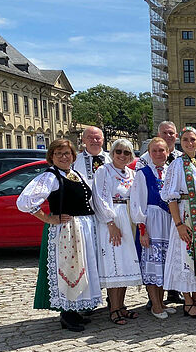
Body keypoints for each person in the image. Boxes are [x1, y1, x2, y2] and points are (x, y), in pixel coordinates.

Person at [16, 139, 102, 331]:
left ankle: (76, 309)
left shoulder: (74, 173)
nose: (64, 157)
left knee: (82, 268)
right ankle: (67, 313)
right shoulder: (50, 176)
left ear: (73, 155)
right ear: (52, 157)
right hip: (67, 230)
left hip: (83, 228)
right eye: (59, 154)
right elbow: (25, 201)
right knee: (68, 268)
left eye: (67, 153)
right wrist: (48, 218)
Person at [161, 126, 196, 319]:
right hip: (186, 213)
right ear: (180, 141)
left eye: (193, 139)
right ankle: (187, 302)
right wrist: (178, 224)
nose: (189, 143)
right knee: (186, 256)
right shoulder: (177, 165)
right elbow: (170, 197)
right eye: (185, 139)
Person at [92, 138, 142, 324]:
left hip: (128, 218)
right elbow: (100, 198)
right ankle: (113, 309)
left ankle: (121, 305)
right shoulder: (104, 171)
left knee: (126, 265)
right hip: (113, 219)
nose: (122, 155)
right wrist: (110, 223)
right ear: (112, 153)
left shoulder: (131, 173)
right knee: (115, 266)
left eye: (126, 152)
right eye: (118, 151)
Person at [130, 137, 175, 319]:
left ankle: (162, 302)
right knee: (153, 264)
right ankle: (155, 305)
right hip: (152, 220)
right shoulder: (143, 173)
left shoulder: (169, 172)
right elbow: (137, 202)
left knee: (163, 263)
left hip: (167, 221)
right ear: (149, 153)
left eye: (161, 150)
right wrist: (143, 229)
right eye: (154, 151)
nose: (158, 154)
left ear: (167, 152)